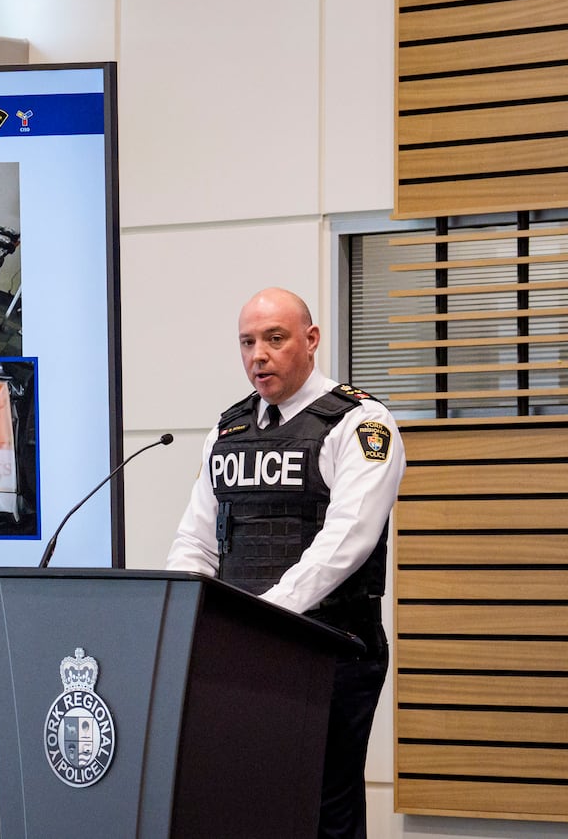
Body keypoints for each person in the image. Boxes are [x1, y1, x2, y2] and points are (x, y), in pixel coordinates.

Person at [166, 287, 405, 839]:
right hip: (241, 654)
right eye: (248, 342)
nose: (259, 355)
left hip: (331, 649)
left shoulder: (361, 423)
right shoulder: (227, 431)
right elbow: (196, 542)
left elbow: (348, 540)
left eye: (275, 339)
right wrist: (185, 616)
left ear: (311, 340)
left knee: (323, 812)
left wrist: (264, 619)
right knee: (247, 807)